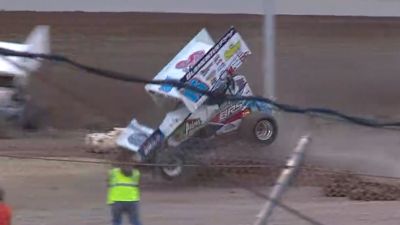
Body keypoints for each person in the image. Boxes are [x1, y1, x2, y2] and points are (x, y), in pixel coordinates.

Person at [107, 151, 142, 225]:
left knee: (116, 222)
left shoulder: (113, 172)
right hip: (132, 200)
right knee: (135, 221)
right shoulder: (136, 174)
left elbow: (108, 182)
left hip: (116, 200)